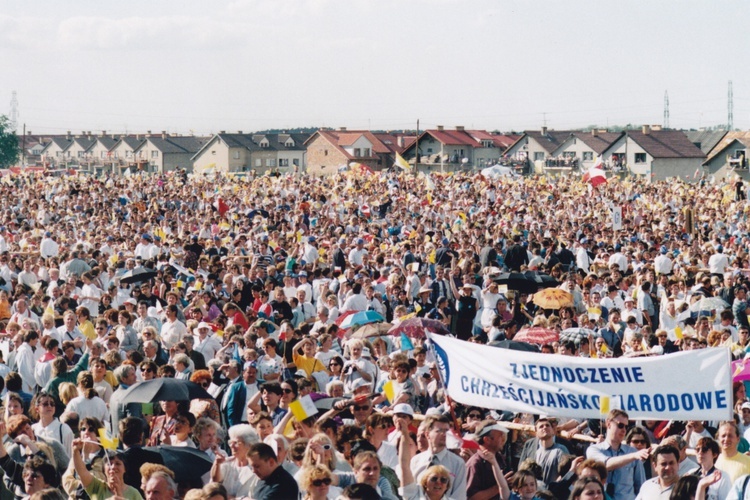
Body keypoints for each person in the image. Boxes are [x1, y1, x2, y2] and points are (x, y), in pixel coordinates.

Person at [587, 409, 647, 500]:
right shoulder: (594, 449)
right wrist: (634, 456)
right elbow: (605, 464)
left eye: (626, 427)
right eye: (620, 425)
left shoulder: (632, 451)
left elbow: (641, 487)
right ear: (608, 424)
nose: (624, 430)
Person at [409, 415, 467, 500]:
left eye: (447, 431)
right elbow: (411, 492)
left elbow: (459, 496)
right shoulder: (416, 460)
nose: (444, 434)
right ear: (427, 434)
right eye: (439, 431)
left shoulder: (457, 463)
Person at [71, 437, 143, 500]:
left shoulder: (134, 493)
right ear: (104, 469)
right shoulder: (97, 487)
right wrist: (75, 451)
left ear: (125, 469)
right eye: (109, 464)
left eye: (117, 464)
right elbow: (82, 472)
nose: (113, 467)